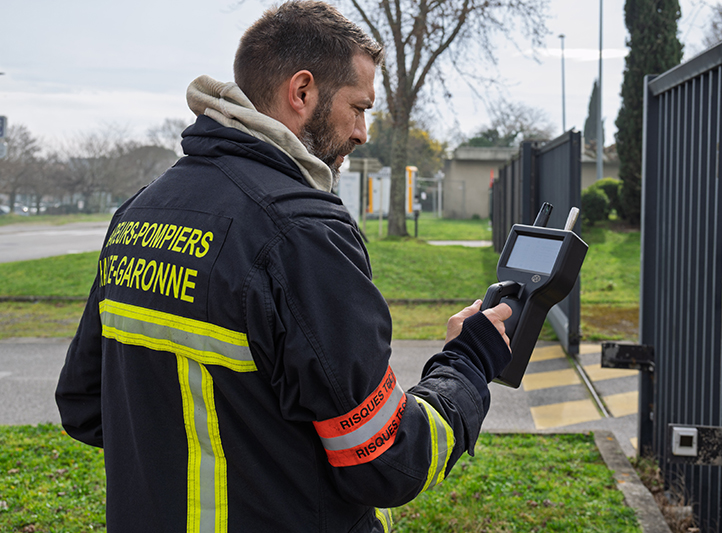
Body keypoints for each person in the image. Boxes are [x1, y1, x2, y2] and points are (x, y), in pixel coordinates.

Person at [55, 2, 513, 532]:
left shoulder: (140, 212)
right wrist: (468, 362)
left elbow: (86, 404)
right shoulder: (302, 234)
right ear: (302, 93)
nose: (363, 132)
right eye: (359, 107)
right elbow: (388, 459)